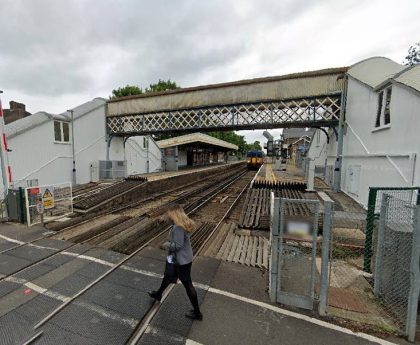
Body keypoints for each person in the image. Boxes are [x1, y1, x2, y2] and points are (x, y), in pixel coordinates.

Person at [148, 204, 203, 321]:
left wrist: (165, 245)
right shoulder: (182, 224)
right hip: (179, 258)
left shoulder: (178, 227)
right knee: (168, 275)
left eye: (169, 214)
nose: (168, 215)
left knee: (188, 285)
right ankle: (158, 294)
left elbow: (177, 245)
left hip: (180, 260)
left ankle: (197, 313)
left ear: (174, 215)